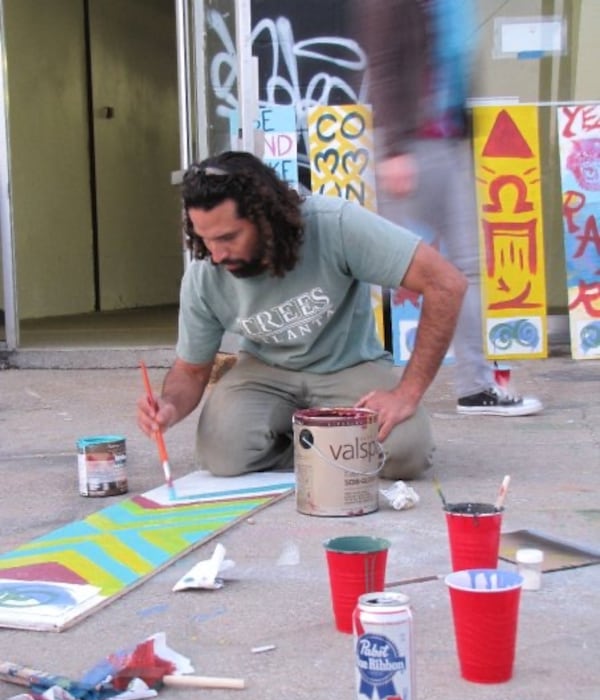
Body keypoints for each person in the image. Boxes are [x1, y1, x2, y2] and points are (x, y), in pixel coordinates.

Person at [137, 150, 467, 479]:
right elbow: (192, 372)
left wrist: (406, 394)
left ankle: (318, 442)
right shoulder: (204, 274)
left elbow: (446, 284)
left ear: (265, 217)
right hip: (264, 372)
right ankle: (332, 444)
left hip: (347, 363)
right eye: (205, 239)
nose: (217, 254)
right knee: (222, 458)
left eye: (228, 237)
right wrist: (169, 406)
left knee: (405, 453)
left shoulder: (333, 224)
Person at [353, 0, 543, 416]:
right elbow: (383, 64)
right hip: (415, 145)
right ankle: (342, 377)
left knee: (458, 268)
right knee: (392, 268)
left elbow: (454, 62)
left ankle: (475, 386)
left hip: (443, 139)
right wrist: (395, 149)